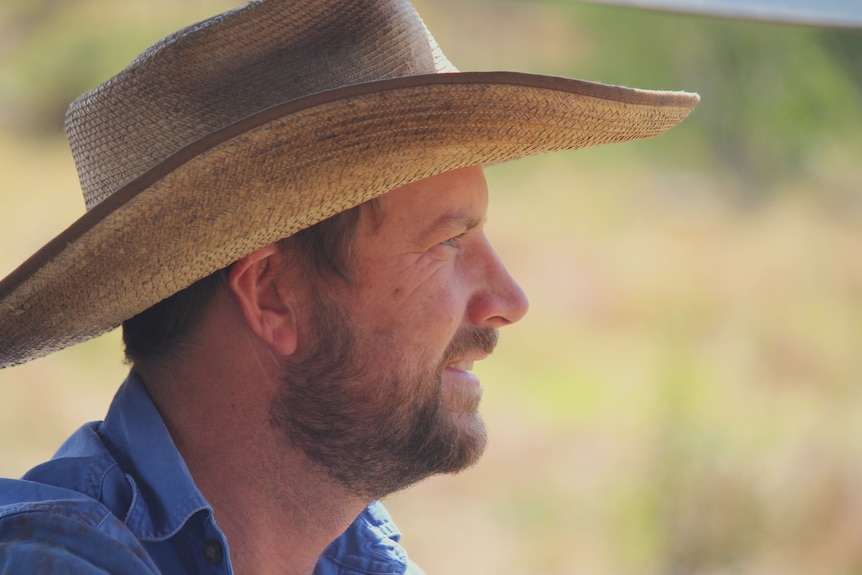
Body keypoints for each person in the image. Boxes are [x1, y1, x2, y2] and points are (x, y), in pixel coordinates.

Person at [0, 0, 698, 572]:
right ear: (273, 293)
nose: (508, 300)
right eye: (449, 242)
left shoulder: (359, 558)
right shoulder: (55, 562)